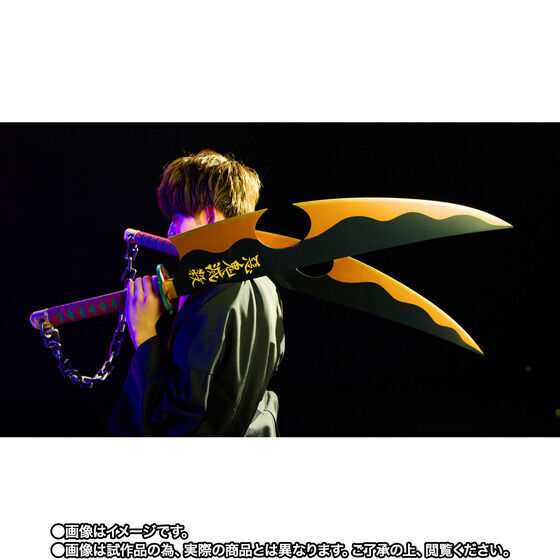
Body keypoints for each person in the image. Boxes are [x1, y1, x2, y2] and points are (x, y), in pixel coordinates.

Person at [107, 150, 285, 436]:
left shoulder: (214, 292)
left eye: (178, 218)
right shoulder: (266, 284)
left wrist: (144, 333)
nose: (170, 231)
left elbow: (178, 420)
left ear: (210, 217)